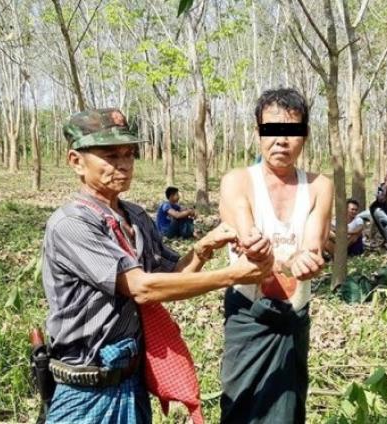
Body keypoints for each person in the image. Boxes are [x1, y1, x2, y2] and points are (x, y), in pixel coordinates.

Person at [41, 108, 272, 423]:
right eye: (110, 156)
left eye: (129, 154)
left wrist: (202, 249)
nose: (123, 164)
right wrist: (233, 275)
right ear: (76, 161)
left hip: (131, 381)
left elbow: (170, 279)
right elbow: (142, 288)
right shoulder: (72, 224)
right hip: (86, 389)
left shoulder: (134, 217)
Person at [218, 88, 332, 423]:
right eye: (271, 131)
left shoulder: (318, 186)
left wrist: (306, 259)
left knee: (287, 408)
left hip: (293, 315)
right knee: (241, 405)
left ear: (305, 137)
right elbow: (245, 230)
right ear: (257, 134)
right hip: (248, 315)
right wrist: (261, 251)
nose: (281, 140)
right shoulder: (238, 181)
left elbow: (314, 242)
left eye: (292, 131)